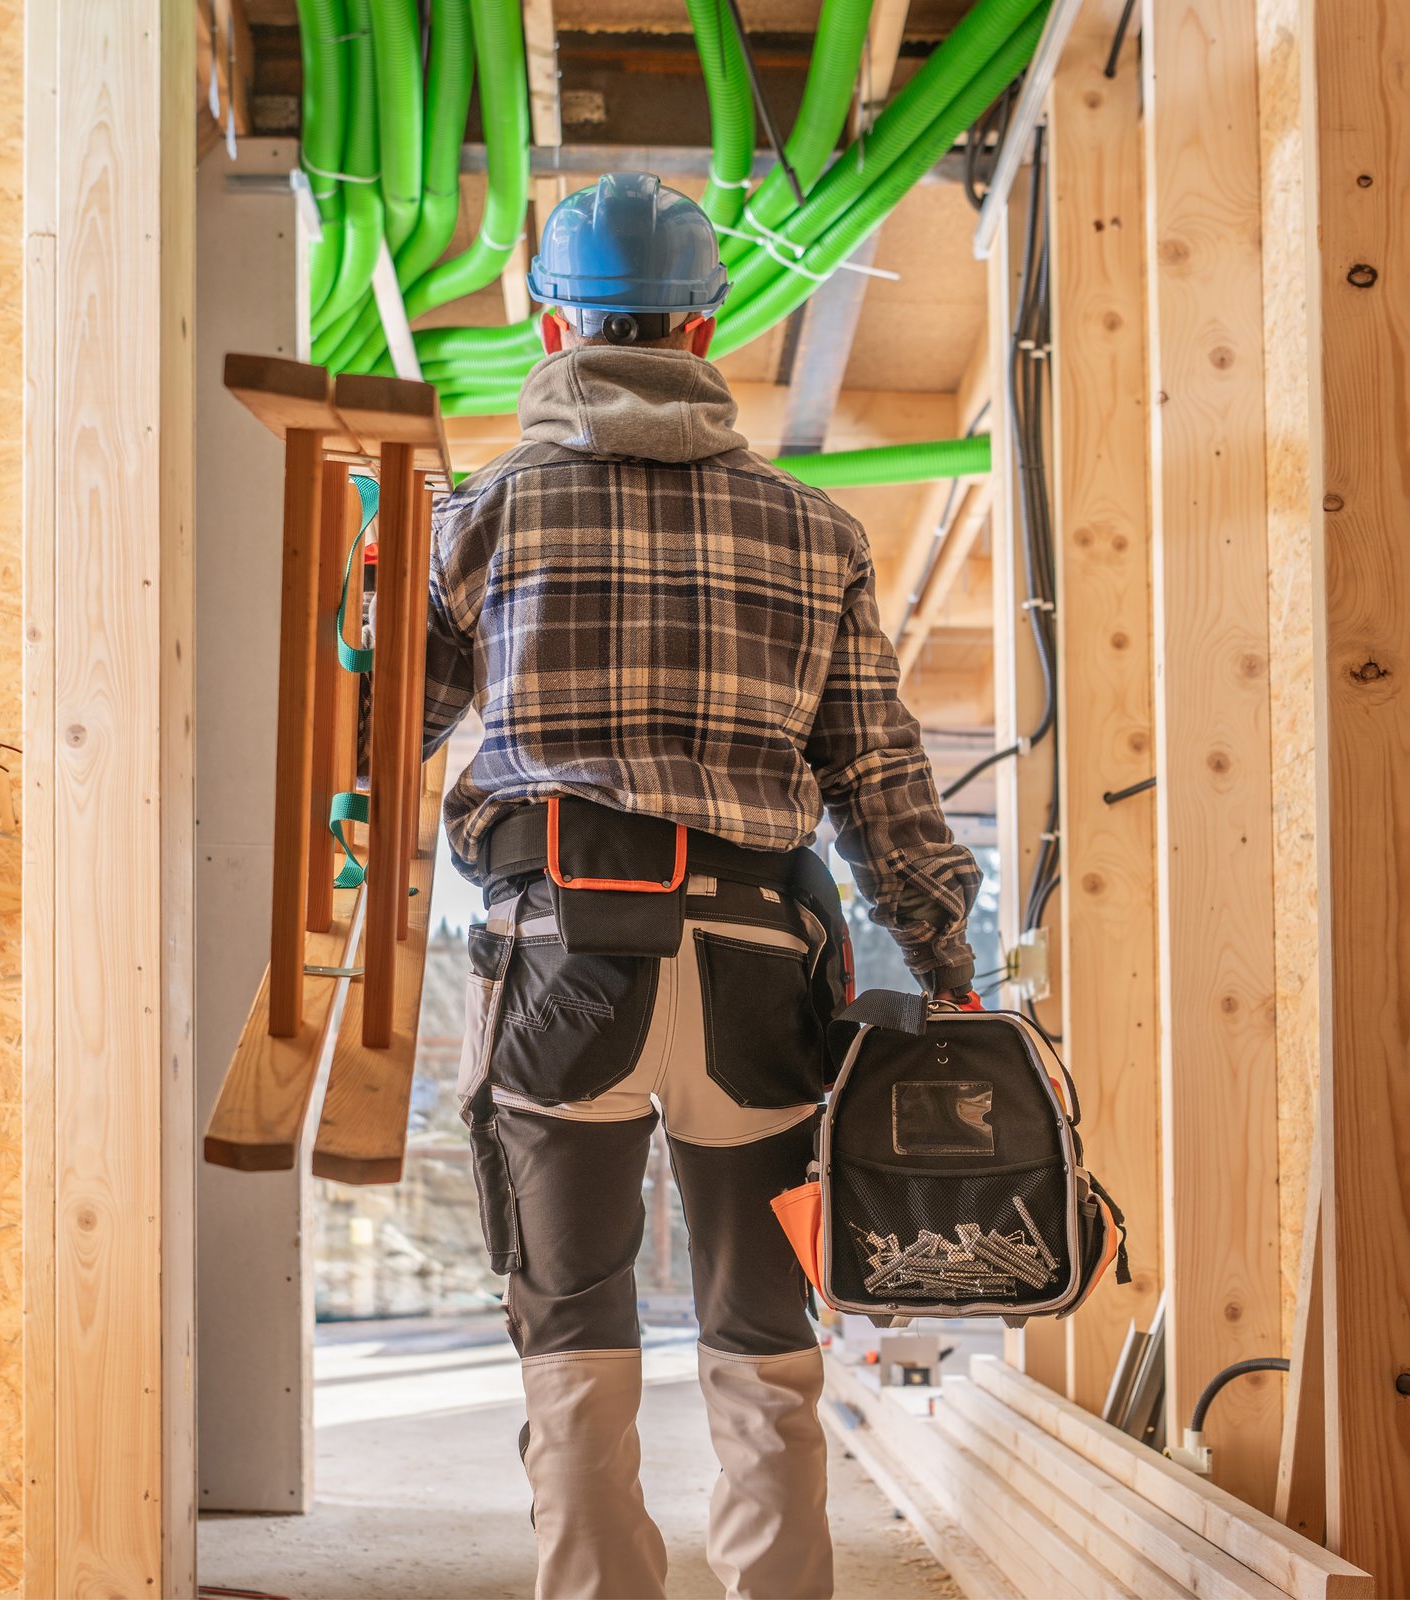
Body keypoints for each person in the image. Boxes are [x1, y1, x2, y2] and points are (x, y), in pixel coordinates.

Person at [420, 171, 981, 1600]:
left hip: (561, 969)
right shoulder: (814, 531)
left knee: (573, 1331)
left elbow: (387, 737)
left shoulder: (481, 517)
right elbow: (880, 779)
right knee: (766, 1336)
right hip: (756, 975)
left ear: (552, 329)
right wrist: (940, 944)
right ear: (703, 323)